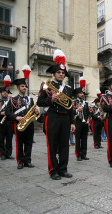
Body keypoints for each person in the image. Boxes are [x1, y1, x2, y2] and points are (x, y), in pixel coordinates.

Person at [37, 49, 75, 180]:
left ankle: (63, 169)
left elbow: (71, 107)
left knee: (65, 145)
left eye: (63, 73)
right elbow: (40, 102)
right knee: (52, 145)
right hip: (52, 117)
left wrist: (72, 122)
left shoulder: (68, 89)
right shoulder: (46, 86)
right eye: (58, 72)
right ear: (54, 73)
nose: (61, 74)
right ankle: (53, 171)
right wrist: (51, 100)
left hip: (65, 118)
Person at [5, 77, 39, 169]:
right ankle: (20, 161)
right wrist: (16, 117)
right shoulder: (13, 99)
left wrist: (36, 112)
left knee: (29, 143)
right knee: (19, 143)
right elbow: (7, 112)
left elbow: (32, 111)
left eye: (25, 86)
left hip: (29, 124)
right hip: (19, 124)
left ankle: (28, 161)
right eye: (22, 86)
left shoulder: (30, 99)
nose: (24, 87)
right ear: (18, 88)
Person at [73, 87, 90, 161]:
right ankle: (78, 155)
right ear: (77, 94)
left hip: (85, 123)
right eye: (80, 93)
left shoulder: (85, 103)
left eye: (83, 93)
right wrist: (77, 110)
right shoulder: (74, 103)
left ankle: (84, 154)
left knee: (84, 139)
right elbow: (71, 113)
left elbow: (89, 113)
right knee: (78, 139)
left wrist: (88, 119)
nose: (82, 94)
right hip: (78, 122)